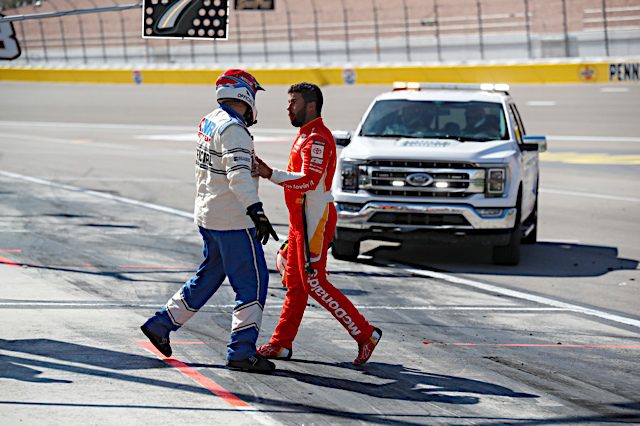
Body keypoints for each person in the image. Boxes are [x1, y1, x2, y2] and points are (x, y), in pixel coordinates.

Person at [140, 69, 279, 374]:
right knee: (253, 284)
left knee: (210, 275)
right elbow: (238, 175)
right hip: (232, 219)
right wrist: (256, 211)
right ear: (246, 94)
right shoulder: (234, 129)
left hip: (208, 214)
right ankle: (241, 351)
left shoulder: (210, 120)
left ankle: (161, 323)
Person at [253, 82, 382, 366]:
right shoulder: (305, 135)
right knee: (298, 286)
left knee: (313, 282)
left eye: (294, 102)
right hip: (303, 220)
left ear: (311, 106)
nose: (289, 107)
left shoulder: (318, 139)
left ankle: (365, 334)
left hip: (315, 220)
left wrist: (269, 173)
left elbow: (310, 181)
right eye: (289, 102)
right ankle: (280, 344)